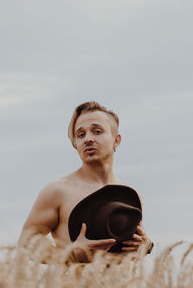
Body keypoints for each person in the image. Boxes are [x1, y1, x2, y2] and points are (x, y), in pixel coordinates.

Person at [19, 101, 153, 262]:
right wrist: (71, 255)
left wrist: (147, 246)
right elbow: (26, 243)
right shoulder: (58, 191)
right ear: (75, 144)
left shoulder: (130, 195)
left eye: (97, 131)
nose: (88, 139)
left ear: (116, 140)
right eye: (81, 135)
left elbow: (134, 246)